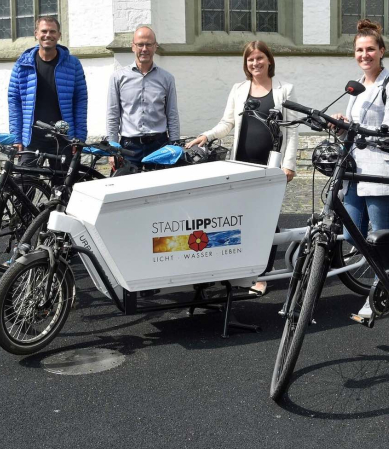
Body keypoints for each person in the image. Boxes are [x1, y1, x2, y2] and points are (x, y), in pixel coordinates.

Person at [187, 41, 298, 295]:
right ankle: (242, 271)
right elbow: (227, 123)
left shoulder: (284, 90)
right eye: (250, 59)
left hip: (270, 167)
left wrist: (289, 165)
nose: (255, 63)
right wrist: (207, 136)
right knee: (242, 218)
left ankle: (262, 275)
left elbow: (291, 131)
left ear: (269, 60)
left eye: (260, 58)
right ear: (246, 64)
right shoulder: (239, 90)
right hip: (243, 164)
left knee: (267, 220)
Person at [331, 19, 389, 319]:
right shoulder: (356, 87)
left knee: (380, 235)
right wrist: (340, 126)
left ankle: (380, 296)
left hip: (383, 169)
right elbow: (353, 131)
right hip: (356, 169)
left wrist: (354, 126)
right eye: (359, 50)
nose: (364, 55)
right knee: (352, 234)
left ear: (382, 51)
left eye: (370, 49)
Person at [7, 16, 87, 181]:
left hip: (63, 138)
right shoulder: (22, 65)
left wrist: (79, 137)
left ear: (59, 35)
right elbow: (14, 101)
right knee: (24, 185)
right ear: (36, 34)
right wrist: (16, 137)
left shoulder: (73, 64)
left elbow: (80, 101)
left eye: (52, 31)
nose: (47, 35)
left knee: (64, 187)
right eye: (44, 31)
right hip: (32, 138)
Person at [107, 26, 180, 169]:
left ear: (155, 47)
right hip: (128, 147)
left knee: (160, 189)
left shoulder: (167, 79)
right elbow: (113, 114)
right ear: (133, 47)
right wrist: (112, 148)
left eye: (149, 44)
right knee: (125, 188)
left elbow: (172, 113)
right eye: (140, 44)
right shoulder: (118, 78)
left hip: (159, 145)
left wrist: (175, 143)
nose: (144, 49)